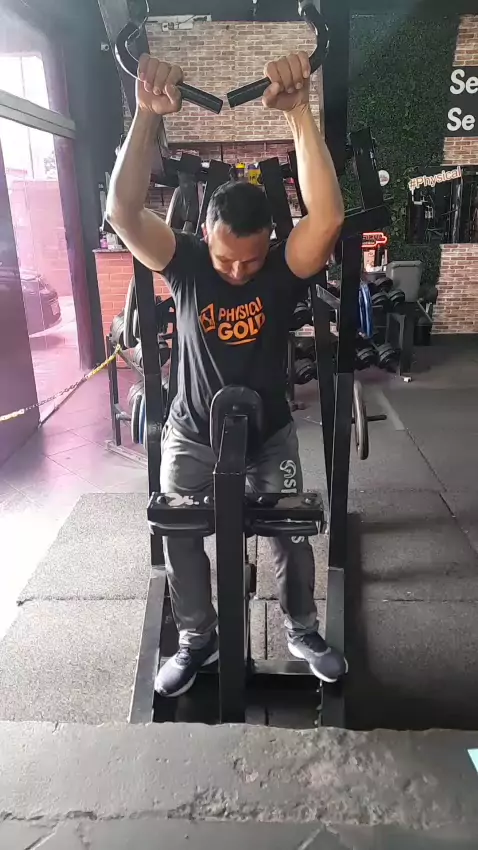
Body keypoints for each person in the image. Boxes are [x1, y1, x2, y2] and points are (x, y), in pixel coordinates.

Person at [106, 50, 346, 698]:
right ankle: (197, 637)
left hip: (269, 436)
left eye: (250, 260)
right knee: (178, 530)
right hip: (191, 434)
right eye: (226, 260)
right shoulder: (185, 263)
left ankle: (302, 630)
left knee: (291, 531)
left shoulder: (281, 268)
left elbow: (327, 218)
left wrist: (299, 114)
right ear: (206, 235)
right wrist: (146, 117)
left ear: (268, 242)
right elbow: (123, 212)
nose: (238, 271)